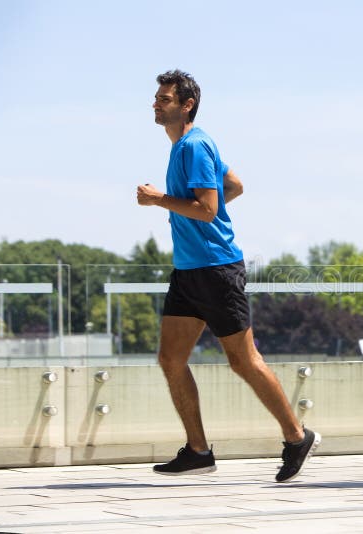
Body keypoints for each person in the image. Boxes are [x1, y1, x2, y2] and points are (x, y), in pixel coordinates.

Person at [137, 69, 320, 482]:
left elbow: (207, 207)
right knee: (170, 358)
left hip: (216, 269)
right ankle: (198, 450)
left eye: (164, 99)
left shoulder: (195, 145)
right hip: (188, 271)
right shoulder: (184, 146)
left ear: (187, 105)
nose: (156, 103)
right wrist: (200, 208)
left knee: (242, 360)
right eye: (156, 97)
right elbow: (233, 185)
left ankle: (296, 436)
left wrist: (159, 200)